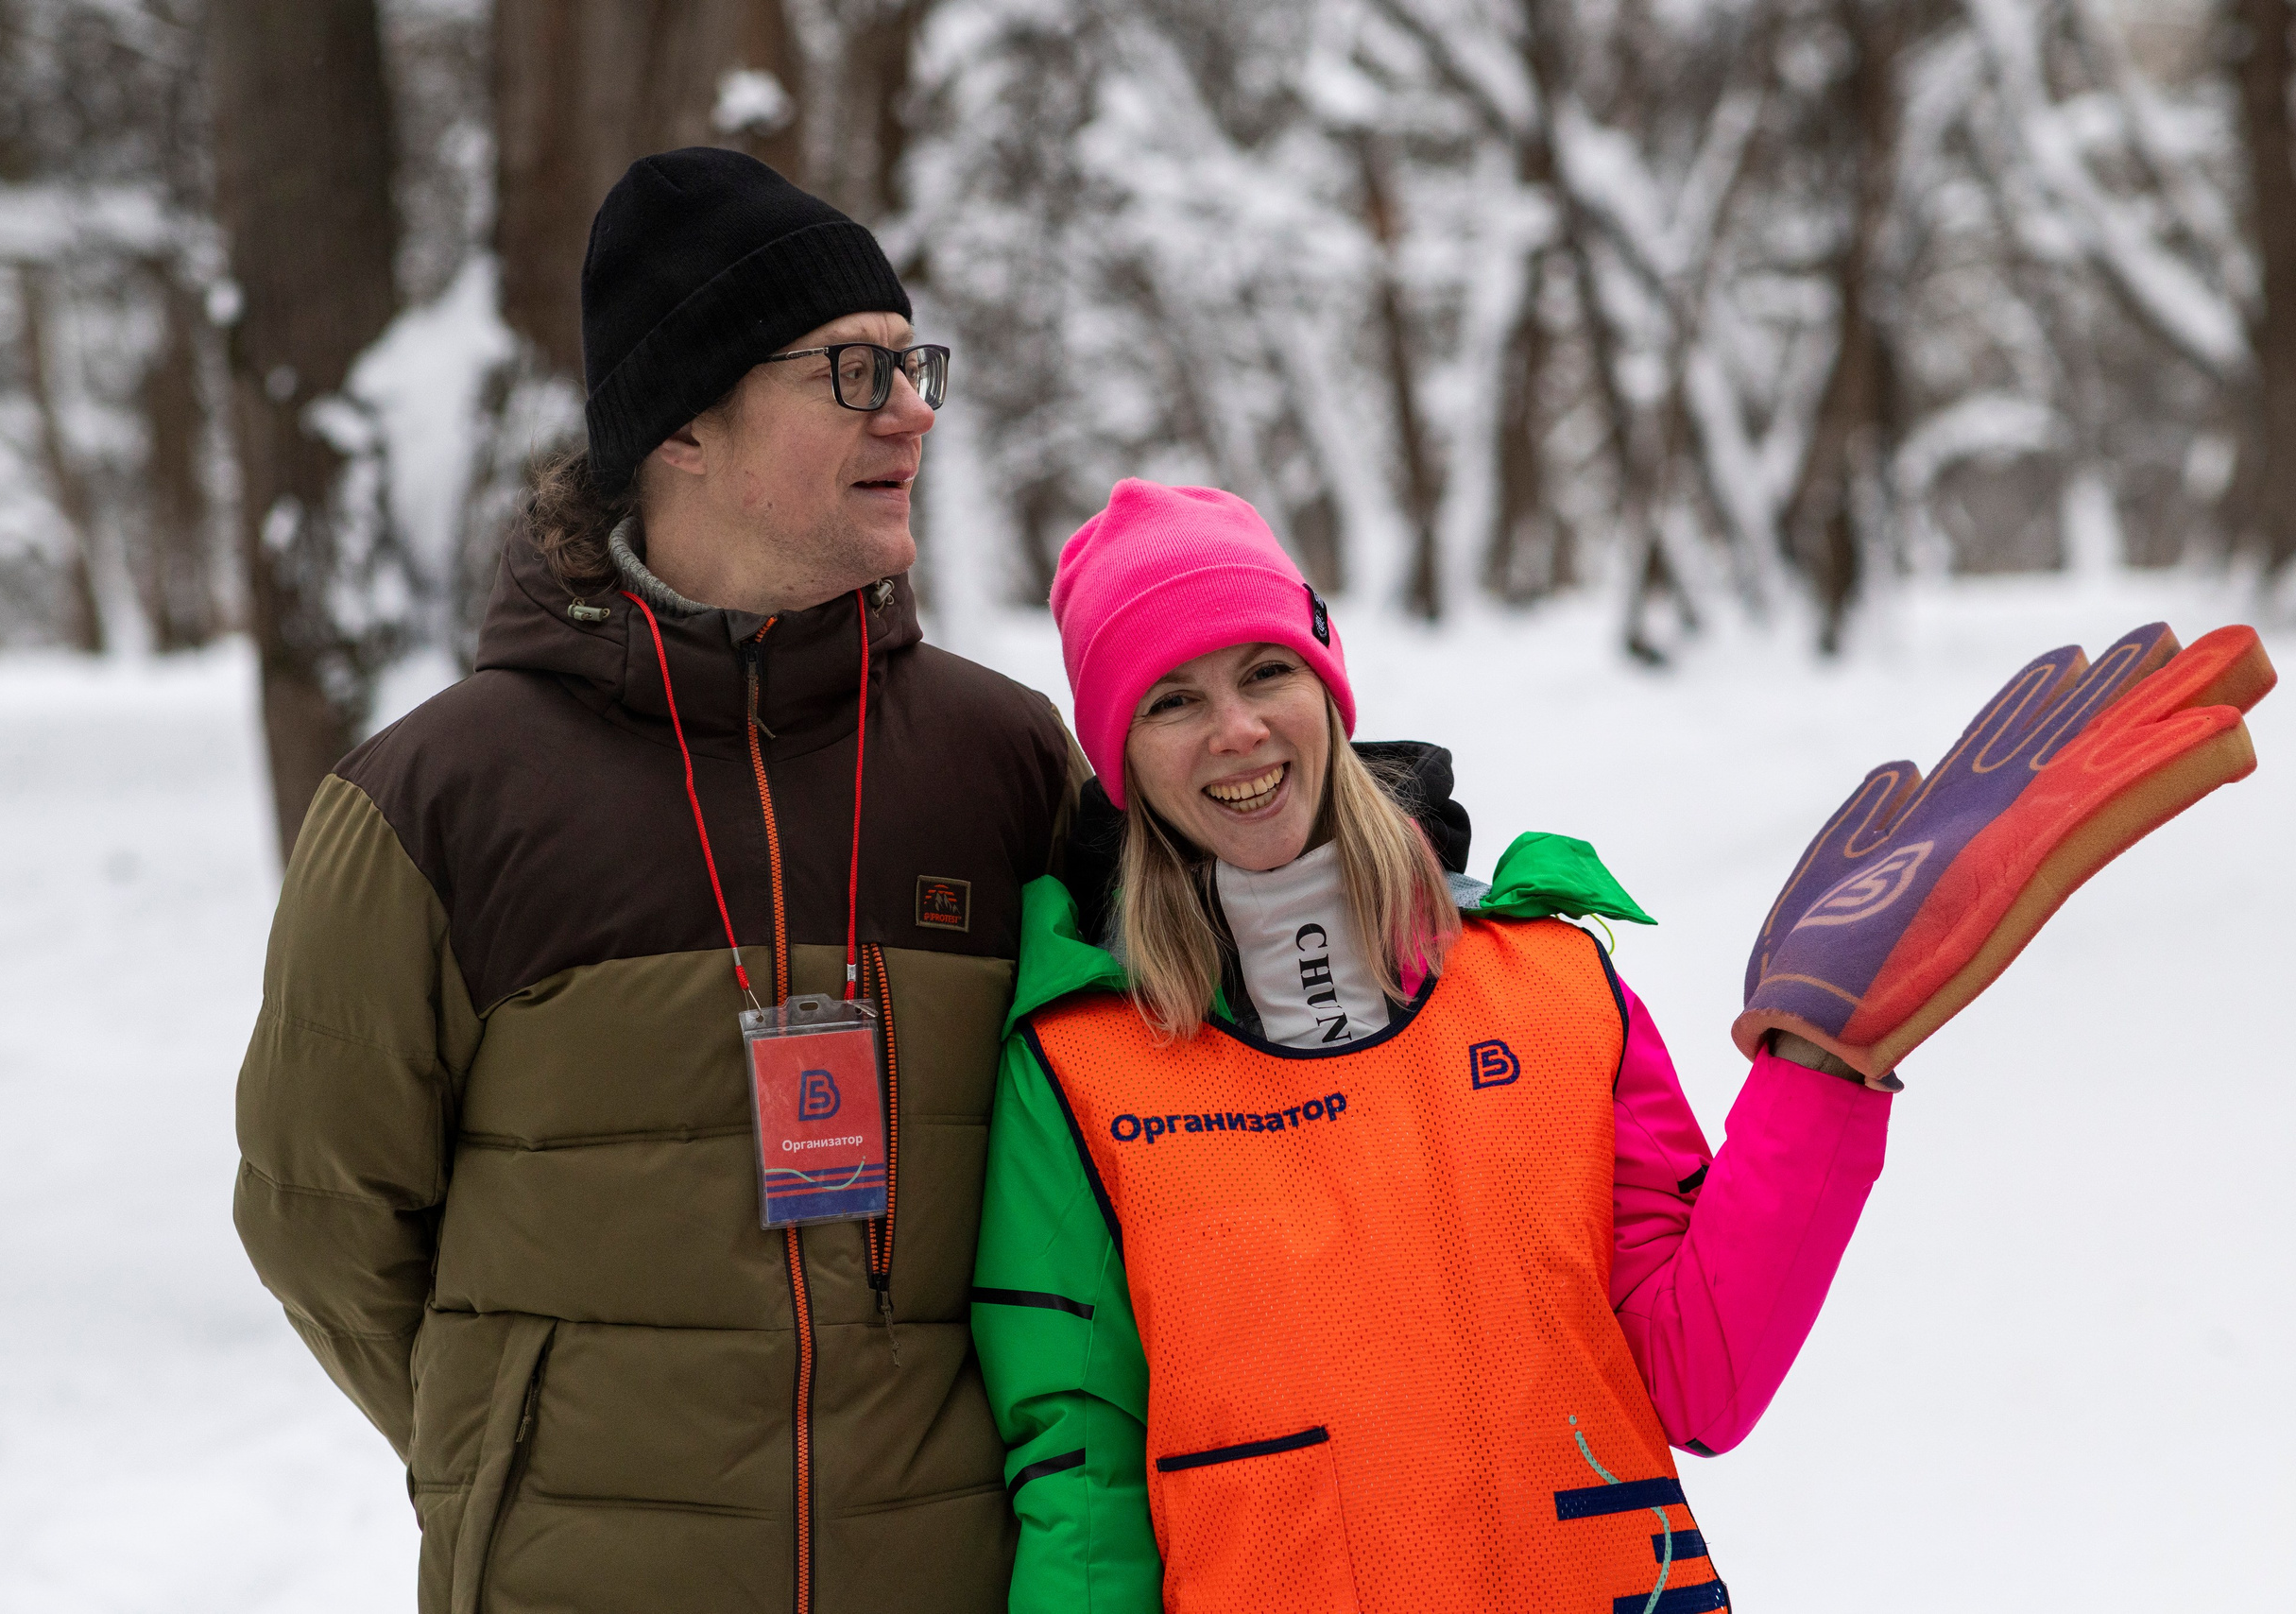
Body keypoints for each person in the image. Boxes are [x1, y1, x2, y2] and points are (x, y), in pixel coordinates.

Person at [969, 479, 2273, 1613]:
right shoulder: (1083, 1071)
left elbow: (1698, 1376)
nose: (1238, 732)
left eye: (1266, 673)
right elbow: (1081, 1479)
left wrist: (1819, 1078)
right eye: (1172, 701)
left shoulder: (1551, 989)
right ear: (1120, 755)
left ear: (1327, 683)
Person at [232, 148, 1084, 1613]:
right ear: (685, 423)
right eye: (854, 375)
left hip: (954, 1574)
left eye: (914, 365)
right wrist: (512, 1448)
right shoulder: (432, 800)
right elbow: (321, 1211)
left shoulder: (1001, 761)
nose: (916, 413)